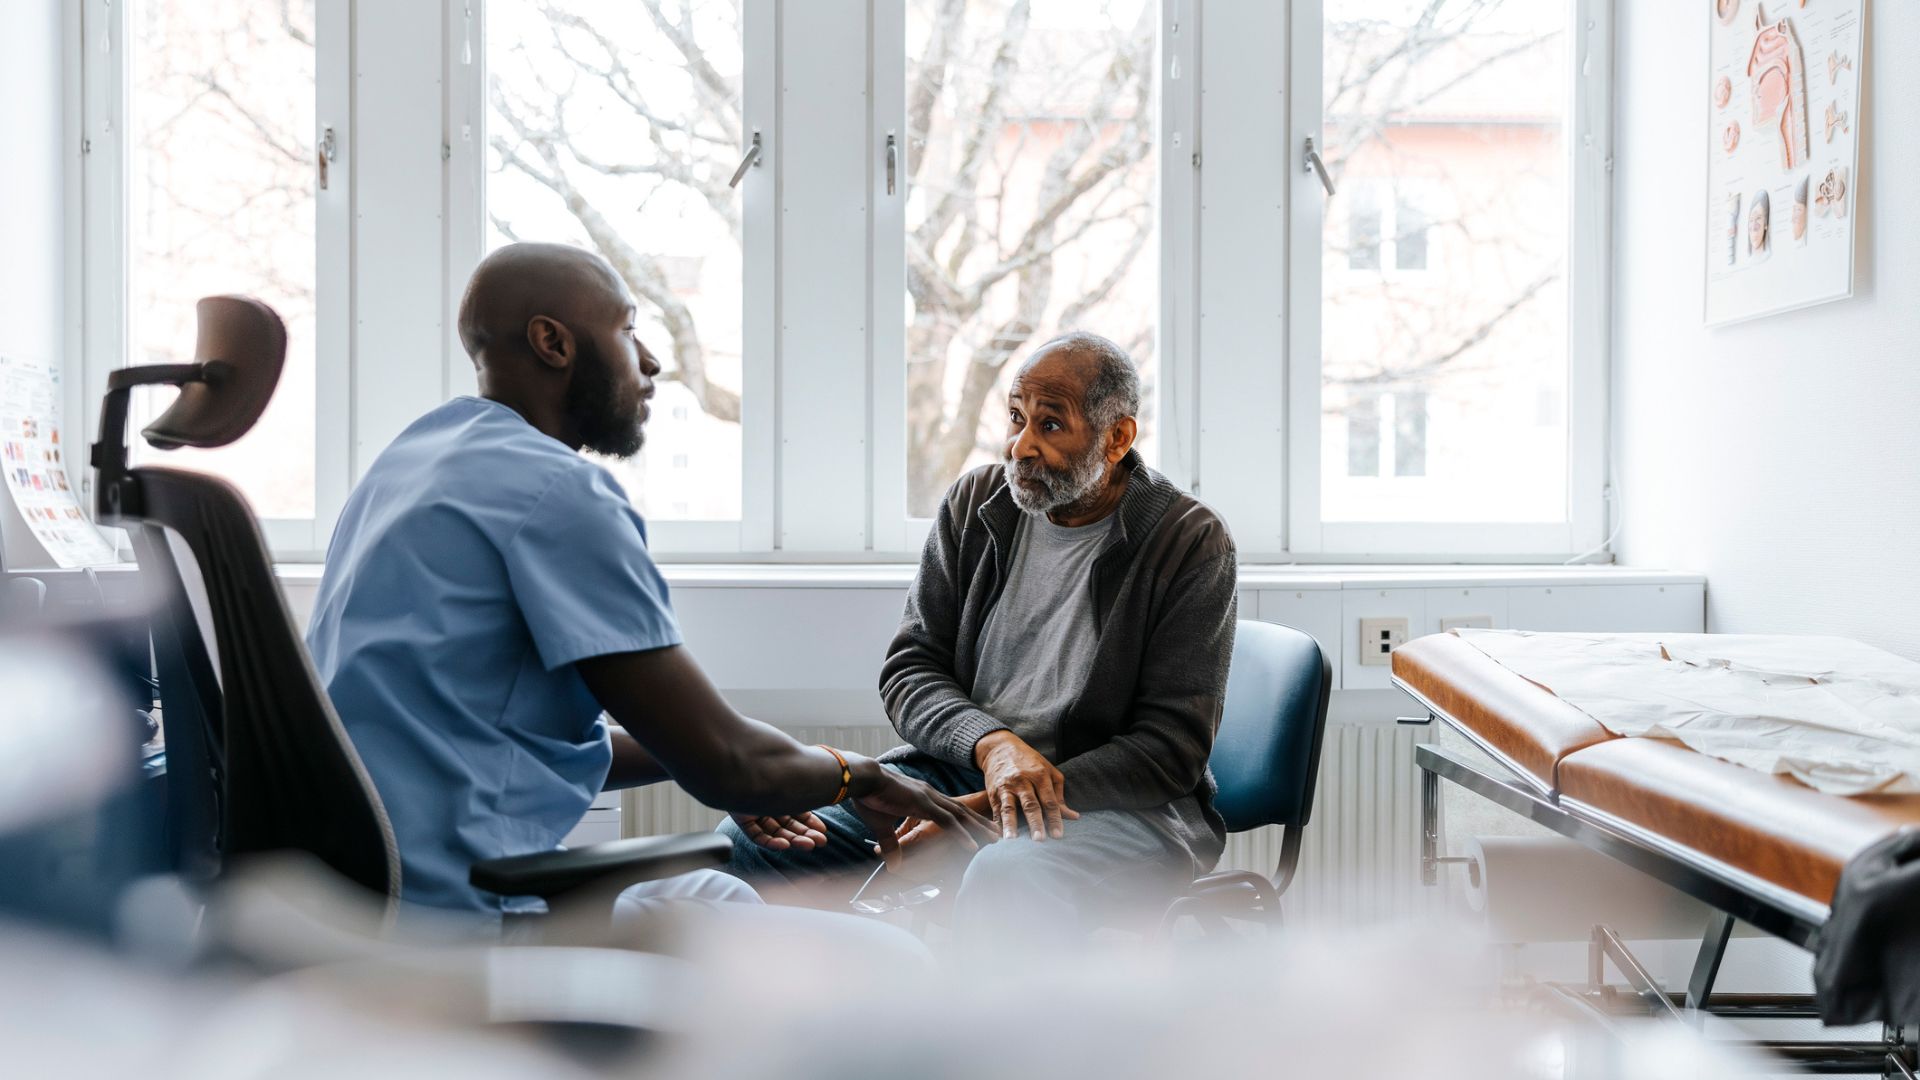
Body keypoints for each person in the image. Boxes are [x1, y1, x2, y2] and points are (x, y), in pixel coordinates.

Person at [306, 242, 992, 924]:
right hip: (469, 909)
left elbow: (483, 737)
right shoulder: (557, 493)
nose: (651, 361)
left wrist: (734, 764)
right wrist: (860, 774)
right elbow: (726, 761)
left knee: (721, 895)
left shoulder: (409, 465)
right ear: (553, 342)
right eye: (628, 329)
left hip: (358, 892)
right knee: (883, 956)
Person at [720, 332, 1238, 942]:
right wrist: (993, 750)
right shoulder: (976, 502)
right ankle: (852, 1015)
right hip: (961, 774)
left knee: (1006, 875)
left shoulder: (1190, 541)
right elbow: (910, 669)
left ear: (1118, 438)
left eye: (1051, 426)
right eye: (1017, 418)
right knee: (757, 842)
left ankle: (993, 1036)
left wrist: (985, 813)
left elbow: (1169, 750)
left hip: (1120, 806)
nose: (1022, 446)